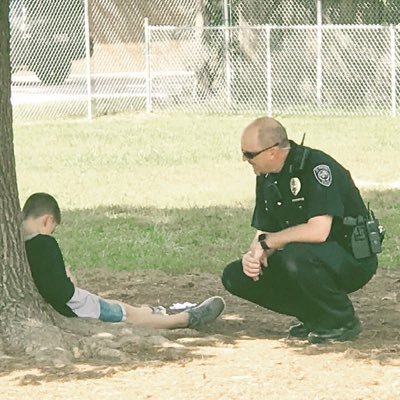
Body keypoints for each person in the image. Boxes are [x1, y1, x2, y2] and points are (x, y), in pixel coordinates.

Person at [221, 117, 381, 344]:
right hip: (306, 259)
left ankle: (342, 320)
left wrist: (268, 242)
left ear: (272, 151)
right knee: (236, 276)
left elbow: (319, 231)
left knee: (298, 254)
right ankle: (317, 317)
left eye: (249, 154)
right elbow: (265, 231)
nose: (245, 160)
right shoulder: (267, 176)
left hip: (349, 259)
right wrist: (254, 255)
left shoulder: (316, 167)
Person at [23, 192, 225, 329]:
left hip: (76, 303)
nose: (51, 233)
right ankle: (184, 319)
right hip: (73, 305)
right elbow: (59, 291)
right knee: (126, 315)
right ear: (47, 220)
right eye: (53, 228)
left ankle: (150, 312)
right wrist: (70, 281)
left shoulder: (21, 243)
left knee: (119, 306)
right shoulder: (44, 244)